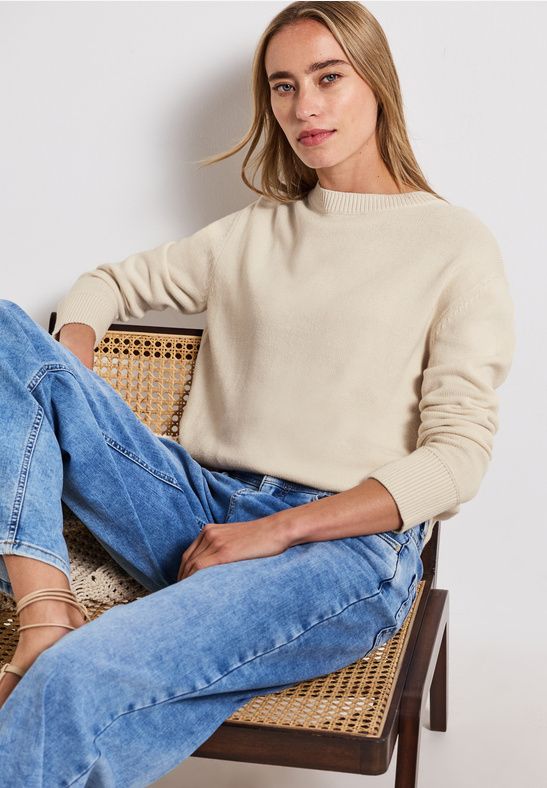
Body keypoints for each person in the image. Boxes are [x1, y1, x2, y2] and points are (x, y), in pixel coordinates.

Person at [0, 1, 515, 784]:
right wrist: (66, 367)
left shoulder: (454, 245)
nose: (303, 106)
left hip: (341, 552)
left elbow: (456, 461)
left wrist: (274, 533)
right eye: (282, 85)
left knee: (79, 678)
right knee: (7, 332)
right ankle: (45, 607)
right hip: (197, 509)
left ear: (376, 83)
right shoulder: (253, 232)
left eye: (328, 78)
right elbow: (106, 284)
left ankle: (60, 667)